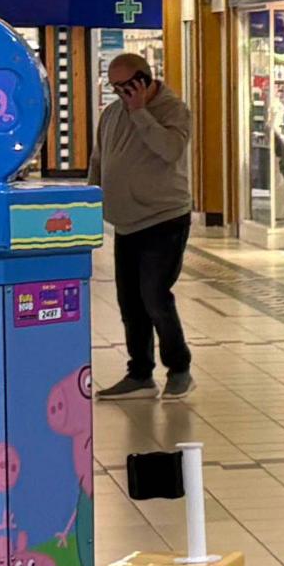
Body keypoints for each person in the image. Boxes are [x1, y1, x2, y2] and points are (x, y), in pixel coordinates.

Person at [92, 52, 196, 400]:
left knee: (155, 296)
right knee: (130, 302)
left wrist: (140, 112)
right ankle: (139, 373)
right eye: (115, 87)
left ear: (144, 80)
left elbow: (170, 150)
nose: (120, 93)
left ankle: (179, 368)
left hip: (163, 218)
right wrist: (91, 201)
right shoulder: (111, 114)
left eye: (126, 86)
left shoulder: (173, 110)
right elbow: (99, 159)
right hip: (126, 223)